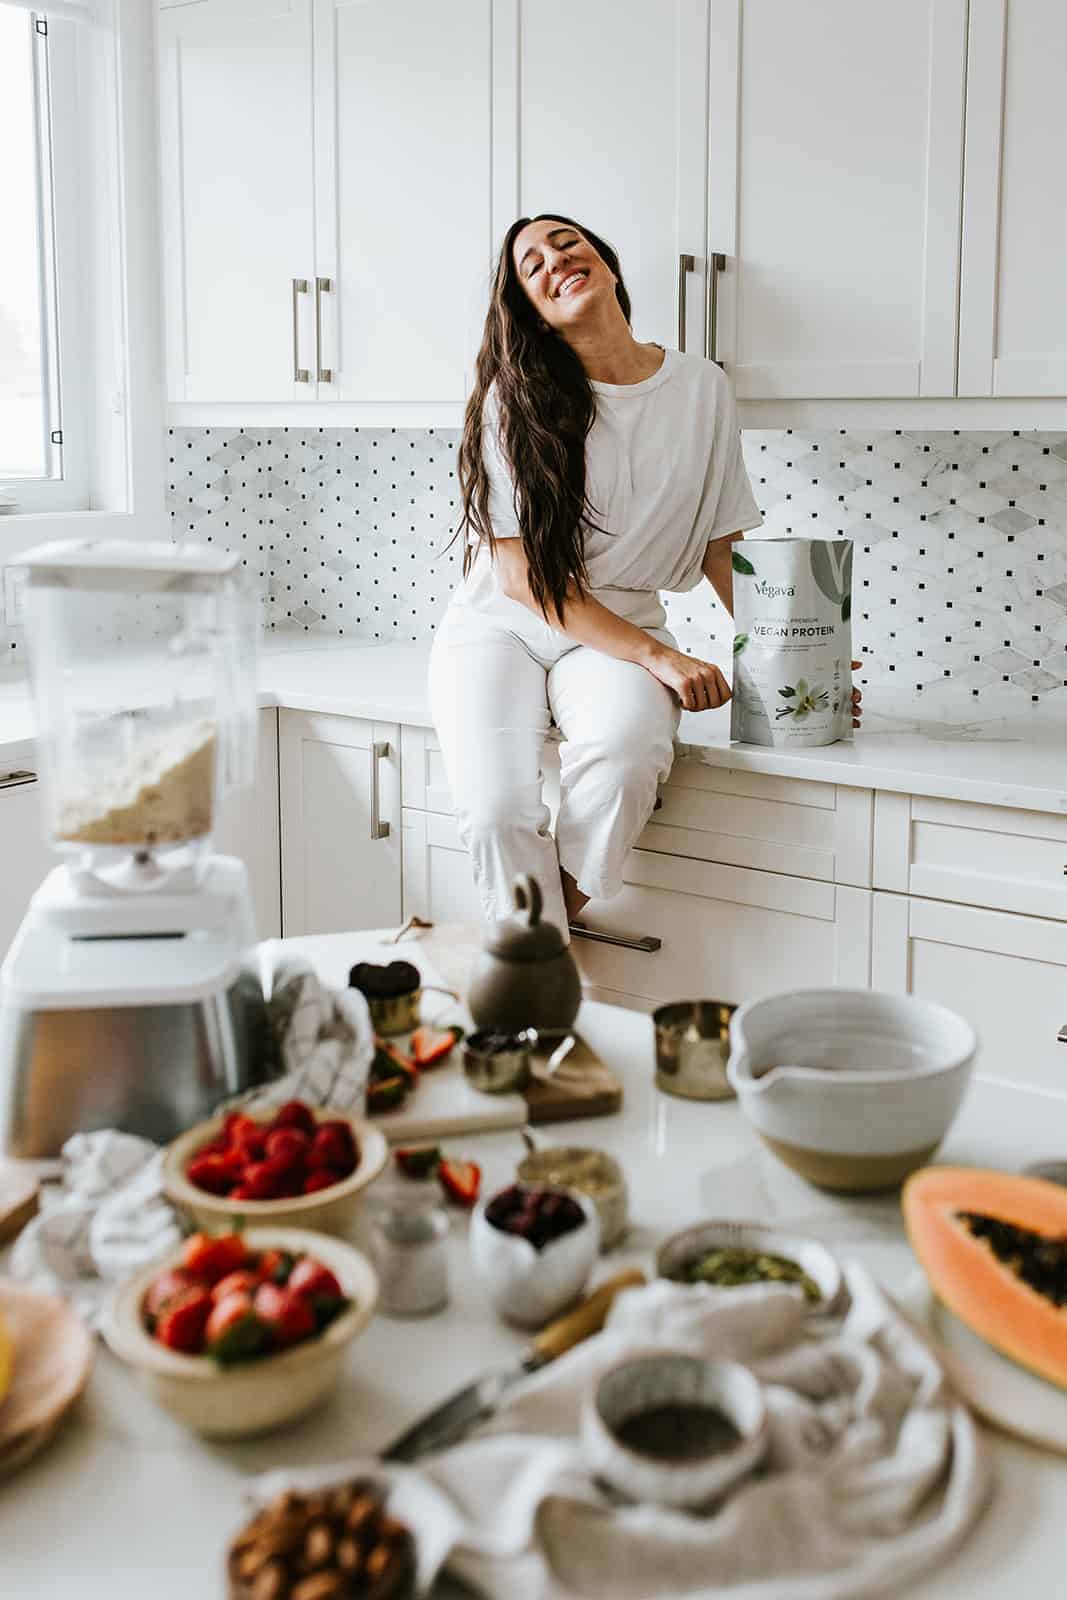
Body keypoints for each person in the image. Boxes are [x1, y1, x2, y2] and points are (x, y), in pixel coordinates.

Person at [429, 213, 861, 937]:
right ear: (527, 308)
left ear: (605, 261)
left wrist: (802, 669)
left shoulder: (701, 388)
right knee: (497, 809)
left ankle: (529, 949)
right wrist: (661, 655)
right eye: (530, 265)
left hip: (617, 627)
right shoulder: (513, 402)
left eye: (566, 242)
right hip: (501, 626)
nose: (554, 261)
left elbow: (721, 545)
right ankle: (532, 967)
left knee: (627, 758)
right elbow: (524, 581)